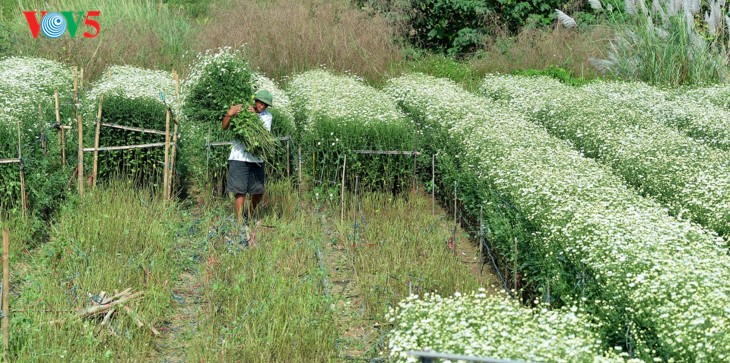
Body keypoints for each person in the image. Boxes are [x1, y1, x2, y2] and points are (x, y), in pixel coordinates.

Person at [221, 89, 273, 240]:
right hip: (239, 156)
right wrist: (230, 114)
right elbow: (224, 127)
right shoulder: (240, 110)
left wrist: (254, 116)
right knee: (240, 190)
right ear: (255, 101)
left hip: (257, 158)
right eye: (260, 102)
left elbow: (262, 134)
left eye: (265, 104)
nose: (262, 106)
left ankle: (249, 214)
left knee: (258, 191)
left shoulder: (267, 117)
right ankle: (239, 222)